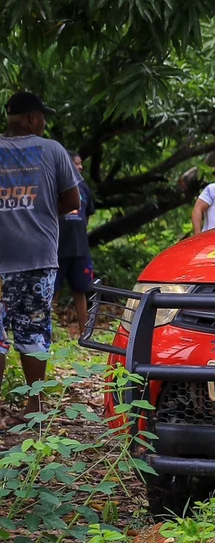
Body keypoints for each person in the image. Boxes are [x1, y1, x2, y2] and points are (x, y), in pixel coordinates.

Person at [0, 91, 80, 427]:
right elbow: (72, 200)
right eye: (41, 116)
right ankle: (34, 406)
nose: (44, 122)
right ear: (32, 118)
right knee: (33, 331)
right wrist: (41, 209)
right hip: (38, 256)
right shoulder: (53, 150)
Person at [56, 152, 95, 337]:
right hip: (57, 249)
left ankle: (85, 334)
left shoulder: (84, 188)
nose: (80, 167)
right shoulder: (55, 186)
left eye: (81, 164)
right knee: (52, 293)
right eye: (76, 164)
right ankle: (48, 334)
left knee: (81, 291)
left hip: (80, 249)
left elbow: (87, 216)